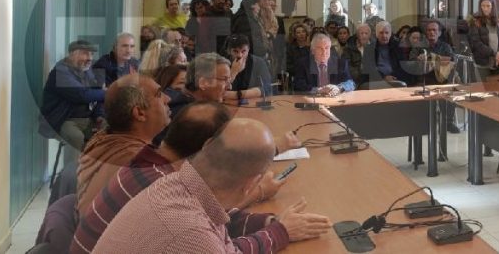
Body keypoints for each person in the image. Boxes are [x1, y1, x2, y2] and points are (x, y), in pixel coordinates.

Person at [72, 102, 326, 254]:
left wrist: (273, 223)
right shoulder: (189, 231)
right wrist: (280, 231)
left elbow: (221, 233)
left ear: (207, 147)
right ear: (251, 184)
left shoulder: (175, 183)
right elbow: (210, 242)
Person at [75, 75, 170, 216]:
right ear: (139, 113)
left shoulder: (104, 139)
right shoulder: (137, 163)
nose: (168, 99)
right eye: (159, 94)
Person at [41, 40, 106, 169]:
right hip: (64, 120)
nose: (89, 58)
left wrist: (99, 115)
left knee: (110, 130)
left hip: (88, 119)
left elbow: (96, 96)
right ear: (72, 54)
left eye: (91, 54)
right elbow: (82, 95)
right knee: (76, 137)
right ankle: (71, 176)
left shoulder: (88, 71)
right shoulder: (60, 72)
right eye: (85, 54)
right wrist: (105, 93)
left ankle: (97, 173)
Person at [167, 53, 233, 115]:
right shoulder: (187, 113)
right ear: (203, 83)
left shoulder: (193, 103)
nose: (230, 87)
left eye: (229, 80)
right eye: (224, 79)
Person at [466, 0, 499, 82]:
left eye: (488, 6)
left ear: (493, 6)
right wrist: (494, 53)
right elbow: (476, 43)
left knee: (497, 88)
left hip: (498, 61)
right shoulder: (475, 21)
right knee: (483, 88)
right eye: (483, 6)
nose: (485, 9)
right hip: (482, 61)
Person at [223, 34, 273, 102]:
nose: (240, 55)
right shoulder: (222, 64)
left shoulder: (259, 63)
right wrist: (233, 72)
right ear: (229, 51)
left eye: (243, 51)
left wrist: (237, 94)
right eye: (235, 51)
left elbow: (268, 89)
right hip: (228, 104)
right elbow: (219, 91)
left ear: (248, 50)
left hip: (253, 103)